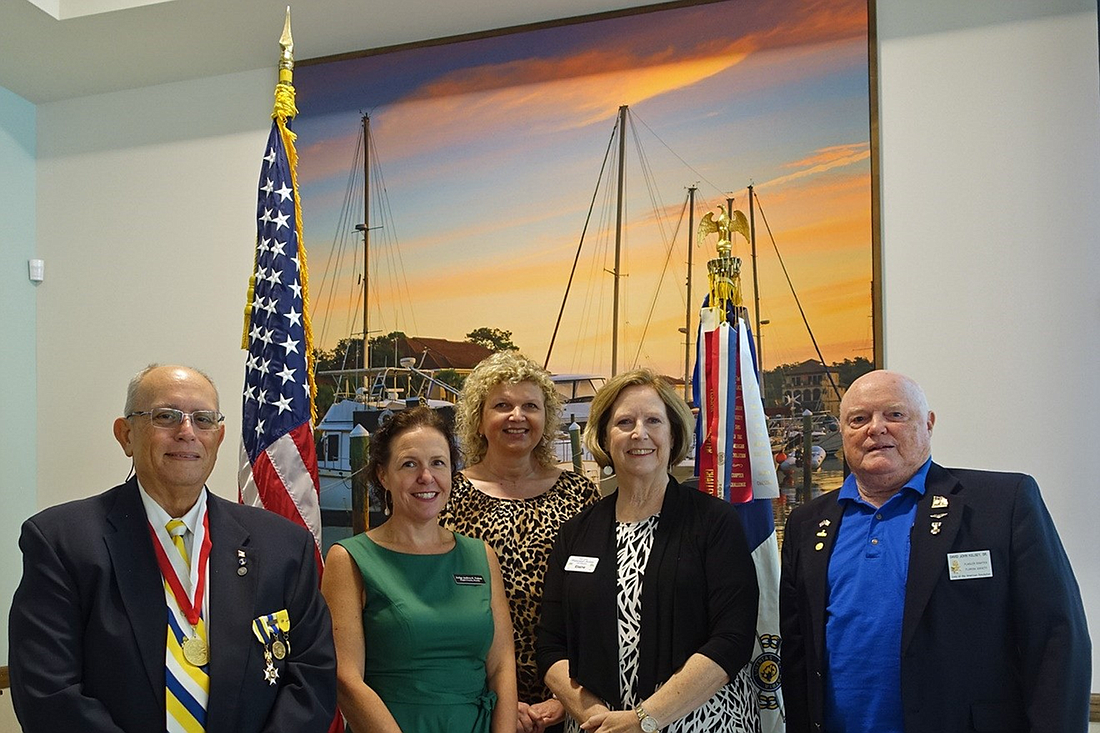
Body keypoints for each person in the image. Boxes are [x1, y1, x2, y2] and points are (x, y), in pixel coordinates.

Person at [8, 364, 337, 733]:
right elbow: (48, 694)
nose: (187, 433)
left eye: (203, 420)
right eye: (166, 416)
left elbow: (312, 677)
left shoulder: (283, 545)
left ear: (219, 436)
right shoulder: (61, 541)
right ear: (126, 435)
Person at [779, 369, 1091, 733]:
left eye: (894, 414)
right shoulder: (807, 522)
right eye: (858, 419)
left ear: (928, 423)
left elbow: (1056, 639)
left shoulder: (1002, 503)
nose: (875, 428)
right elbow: (798, 652)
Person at [537, 369, 761, 733]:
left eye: (653, 420)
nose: (638, 433)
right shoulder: (576, 533)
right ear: (605, 437)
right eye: (624, 422)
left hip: (702, 723)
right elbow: (550, 645)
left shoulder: (714, 522)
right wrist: (600, 721)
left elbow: (732, 639)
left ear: (673, 434)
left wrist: (644, 720)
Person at [322, 406, 518, 732]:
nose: (426, 477)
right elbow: (345, 678)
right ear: (383, 474)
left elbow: (501, 667)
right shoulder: (349, 559)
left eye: (438, 463)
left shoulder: (480, 556)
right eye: (409, 464)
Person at [440, 351, 601, 733]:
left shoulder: (579, 494)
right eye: (502, 405)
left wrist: (565, 698)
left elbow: (599, 599)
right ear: (479, 420)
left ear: (546, 420)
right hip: (472, 697)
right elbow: (437, 603)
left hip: (570, 695)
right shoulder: (447, 494)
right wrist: (499, 701)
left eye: (531, 405)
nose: (517, 416)